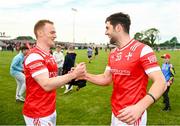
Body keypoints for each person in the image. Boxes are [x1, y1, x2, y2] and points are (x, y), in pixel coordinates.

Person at [82, 12, 166, 125]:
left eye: (107, 28)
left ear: (118, 27)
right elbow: (106, 78)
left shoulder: (143, 50)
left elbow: (161, 82)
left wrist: (140, 107)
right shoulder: (113, 52)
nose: (106, 32)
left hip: (132, 115)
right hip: (116, 112)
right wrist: (84, 75)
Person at [23, 19, 85, 125]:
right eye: (52, 32)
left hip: (50, 109)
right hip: (37, 112)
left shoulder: (49, 55)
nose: (55, 35)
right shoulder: (34, 56)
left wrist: (71, 75)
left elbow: (54, 80)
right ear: (40, 33)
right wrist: (73, 74)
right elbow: (46, 84)